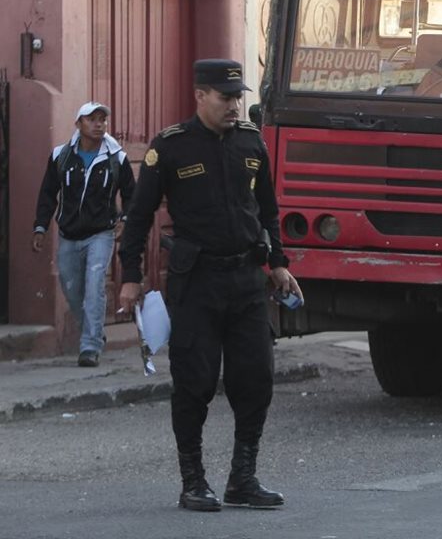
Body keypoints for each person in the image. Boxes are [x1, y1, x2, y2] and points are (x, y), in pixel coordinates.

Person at [117, 59, 304, 512]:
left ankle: (243, 478)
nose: (234, 104)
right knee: (195, 382)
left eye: (238, 96)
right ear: (200, 95)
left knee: (255, 378)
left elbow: (268, 212)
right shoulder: (171, 147)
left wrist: (278, 264)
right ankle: (193, 481)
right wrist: (130, 278)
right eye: (225, 97)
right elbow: (139, 217)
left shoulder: (250, 142)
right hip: (196, 282)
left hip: (245, 281)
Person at [32, 102, 136, 367]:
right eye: (92, 119)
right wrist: (41, 226)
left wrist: (124, 219)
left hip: (100, 233)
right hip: (68, 234)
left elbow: (131, 194)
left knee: (94, 286)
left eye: (102, 119)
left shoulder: (117, 157)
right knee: (71, 289)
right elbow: (47, 193)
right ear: (79, 124)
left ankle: (89, 346)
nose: (99, 124)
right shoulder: (61, 156)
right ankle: (94, 332)